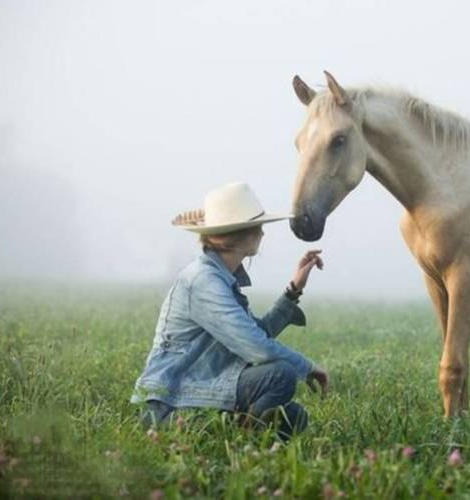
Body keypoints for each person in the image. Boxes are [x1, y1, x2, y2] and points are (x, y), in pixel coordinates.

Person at [130, 182, 328, 439]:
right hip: (170, 404)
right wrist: (308, 367)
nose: (263, 234)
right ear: (240, 235)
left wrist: (293, 290)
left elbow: (255, 333)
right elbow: (255, 346)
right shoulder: (203, 281)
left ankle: (237, 436)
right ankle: (238, 442)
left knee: (295, 417)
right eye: (258, 227)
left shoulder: (220, 277)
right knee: (282, 375)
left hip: (202, 391)